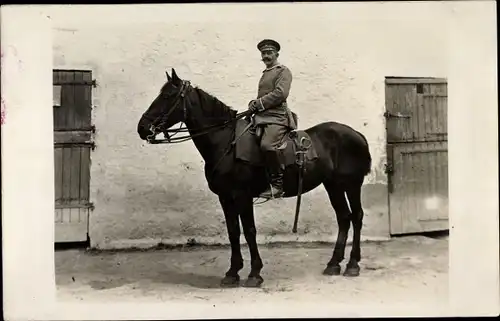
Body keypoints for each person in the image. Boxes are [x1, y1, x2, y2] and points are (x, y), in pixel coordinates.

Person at [247, 39, 297, 199]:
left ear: (276, 54)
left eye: (269, 52)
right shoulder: (266, 74)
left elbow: (280, 94)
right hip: (262, 117)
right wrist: (253, 104)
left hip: (277, 117)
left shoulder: (283, 71)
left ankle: (277, 185)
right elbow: (262, 96)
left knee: (268, 146)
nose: (266, 55)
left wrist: (259, 103)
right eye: (263, 53)